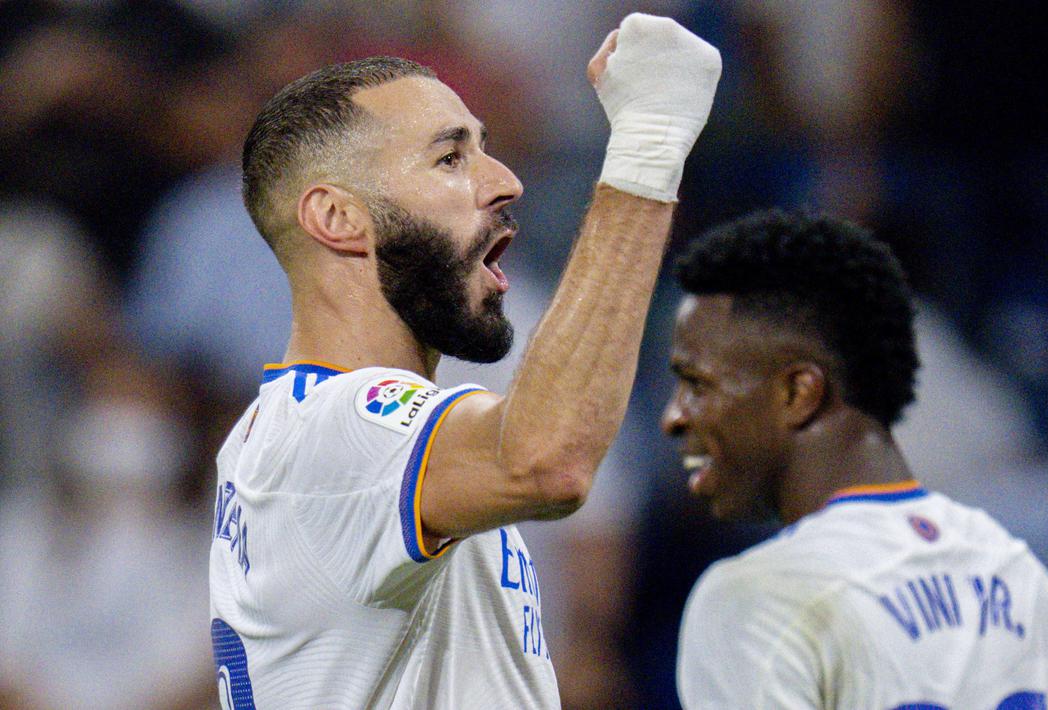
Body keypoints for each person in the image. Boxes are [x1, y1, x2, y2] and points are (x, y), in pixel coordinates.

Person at [208, 13, 720, 710]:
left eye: (487, 149)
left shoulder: (298, 437)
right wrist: (647, 145)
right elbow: (547, 457)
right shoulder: (342, 426)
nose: (506, 181)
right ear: (337, 218)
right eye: (451, 158)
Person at [660, 210, 1048, 709]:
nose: (674, 417)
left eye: (698, 384)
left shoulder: (757, 598)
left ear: (797, 392)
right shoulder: (1012, 571)